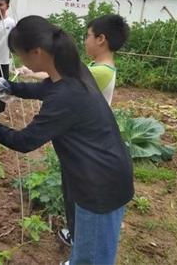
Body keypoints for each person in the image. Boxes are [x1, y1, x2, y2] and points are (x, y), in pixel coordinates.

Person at [0, 15, 134, 265]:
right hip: (91, 172)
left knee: (93, 259)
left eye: (20, 55)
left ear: (36, 52)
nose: (19, 61)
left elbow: (24, 141)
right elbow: (45, 89)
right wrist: (8, 87)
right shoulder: (73, 71)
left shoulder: (67, 95)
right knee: (84, 245)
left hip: (101, 184)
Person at [56, 13, 131, 247]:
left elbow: (64, 84)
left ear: (101, 39)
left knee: (77, 190)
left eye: (87, 36)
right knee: (73, 188)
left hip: (86, 142)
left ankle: (79, 238)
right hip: (90, 140)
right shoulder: (98, 67)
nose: (85, 40)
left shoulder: (101, 72)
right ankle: (78, 234)